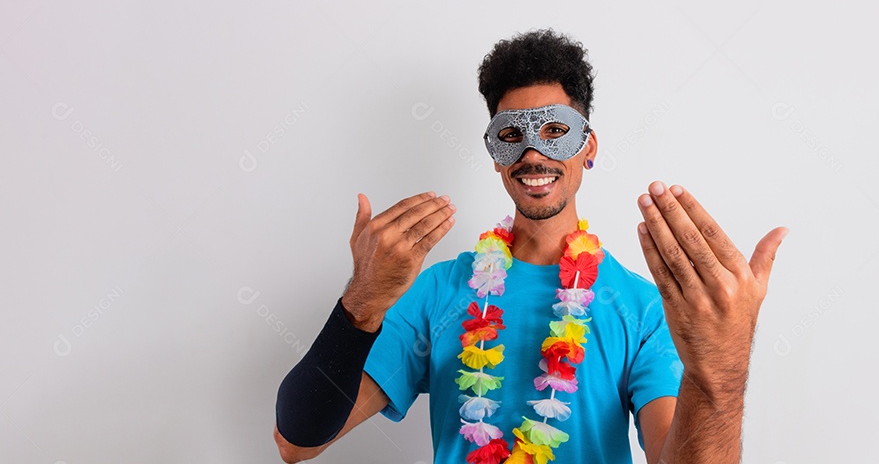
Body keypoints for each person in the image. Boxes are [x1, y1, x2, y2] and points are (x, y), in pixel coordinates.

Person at [274, 29, 788, 464]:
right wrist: (362, 300)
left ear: (588, 147)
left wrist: (720, 367)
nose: (534, 152)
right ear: (496, 155)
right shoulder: (436, 290)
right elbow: (296, 442)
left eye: (555, 130)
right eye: (511, 135)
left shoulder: (640, 306)